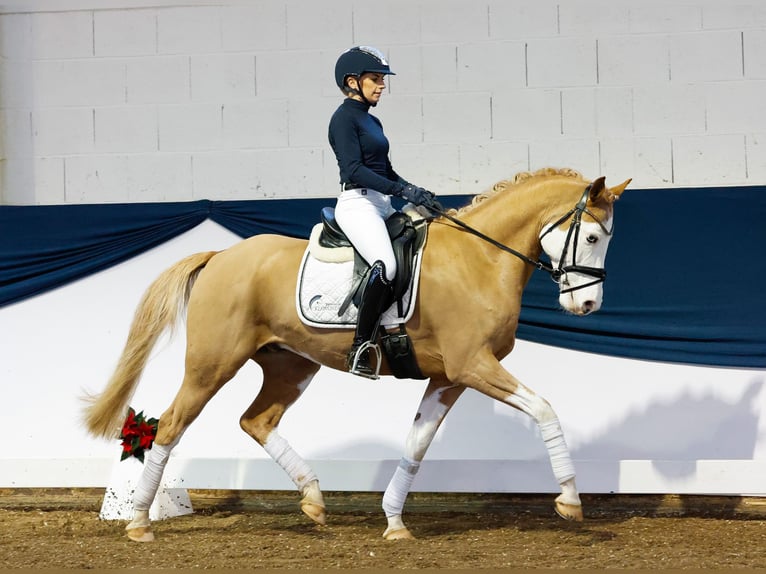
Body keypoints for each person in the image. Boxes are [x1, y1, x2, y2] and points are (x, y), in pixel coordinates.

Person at [329, 45, 438, 378]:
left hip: (381, 201)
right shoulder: (343, 119)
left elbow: (386, 170)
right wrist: (401, 190)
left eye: (381, 79)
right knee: (386, 265)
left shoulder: (372, 120)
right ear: (352, 81)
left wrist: (413, 189)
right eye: (375, 79)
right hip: (357, 203)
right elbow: (354, 170)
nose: (381, 85)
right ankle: (360, 346)